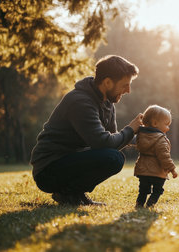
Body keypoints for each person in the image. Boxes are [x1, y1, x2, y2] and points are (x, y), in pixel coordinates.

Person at [30, 55, 143, 206]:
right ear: (107, 82)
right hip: (49, 169)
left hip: (70, 161)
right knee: (114, 158)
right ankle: (67, 194)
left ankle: (74, 194)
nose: (128, 90)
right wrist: (130, 129)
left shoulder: (108, 103)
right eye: (124, 85)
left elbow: (114, 140)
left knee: (114, 156)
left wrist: (146, 137)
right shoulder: (80, 101)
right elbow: (104, 143)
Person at [134, 105, 178, 208]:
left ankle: (139, 204)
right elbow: (164, 157)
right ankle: (150, 204)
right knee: (158, 190)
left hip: (143, 170)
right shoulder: (160, 139)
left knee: (143, 190)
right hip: (158, 172)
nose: (168, 127)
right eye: (167, 124)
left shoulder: (140, 135)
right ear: (155, 123)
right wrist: (172, 169)